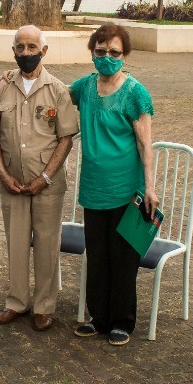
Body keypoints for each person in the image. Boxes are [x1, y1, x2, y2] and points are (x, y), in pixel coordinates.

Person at [68, 23, 157, 347]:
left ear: (125, 55)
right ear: (92, 52)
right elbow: (56, 95)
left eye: (114, 53)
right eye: (101, 51)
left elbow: (146, 143)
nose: (107, 58)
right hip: (93, 188)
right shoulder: (85, 88)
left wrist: (150, 187)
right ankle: (98, 317)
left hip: (126, 190)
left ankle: (122, 321)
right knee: (98, 255)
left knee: (123, 259)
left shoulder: (135, 93)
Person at [0, 26, 77, 331]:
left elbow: (65, 140)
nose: (26, 52)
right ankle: (17, 302)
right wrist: (2, 174)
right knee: (17, 244)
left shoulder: (58, 90)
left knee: (48, 244)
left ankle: (44, 306)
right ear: (13, 51)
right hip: (12, 183)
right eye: (20, 47)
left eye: (32, 47)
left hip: (47, 185)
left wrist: (46, 177)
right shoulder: (1, 87)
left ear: (44, 51)